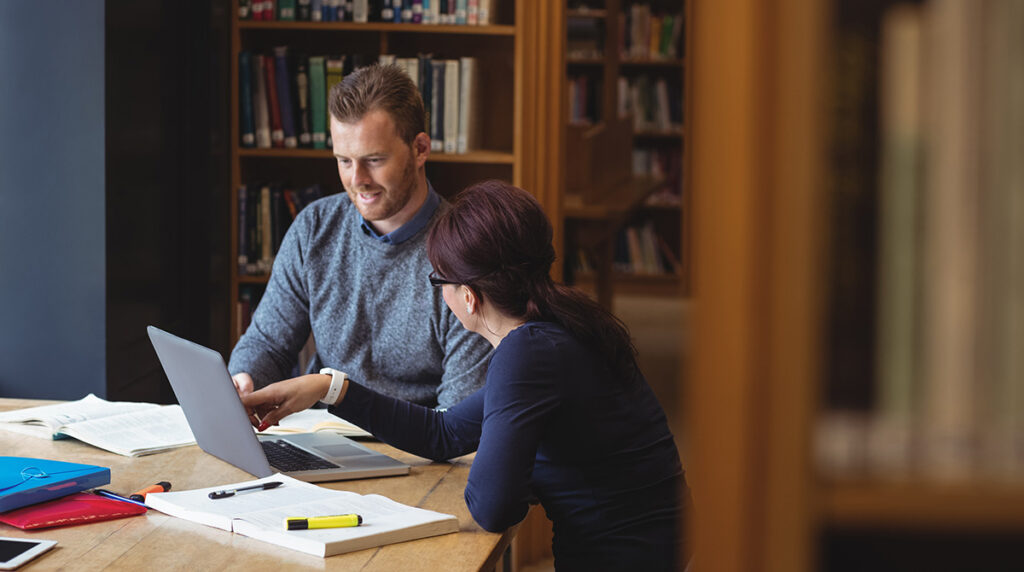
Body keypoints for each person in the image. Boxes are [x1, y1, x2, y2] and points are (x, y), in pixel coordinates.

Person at [242, 180, 691, 570]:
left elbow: (491, 507)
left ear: (470, 297)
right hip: (650, 547)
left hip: (622, 558)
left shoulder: (527, 355)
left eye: (440, 283)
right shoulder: (554, 325)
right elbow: (446, 432)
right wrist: (330, 387)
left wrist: (516, 467)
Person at [228, 64, 492, 409]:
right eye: (344, 161)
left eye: (374, 160)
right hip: (323, 437)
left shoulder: (466, 253)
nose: (357, 180)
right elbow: (268, 343)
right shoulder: (315, 228)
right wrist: (245, 380)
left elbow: (459, 417)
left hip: (423, 452)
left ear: (420, 149)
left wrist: (332, 390)